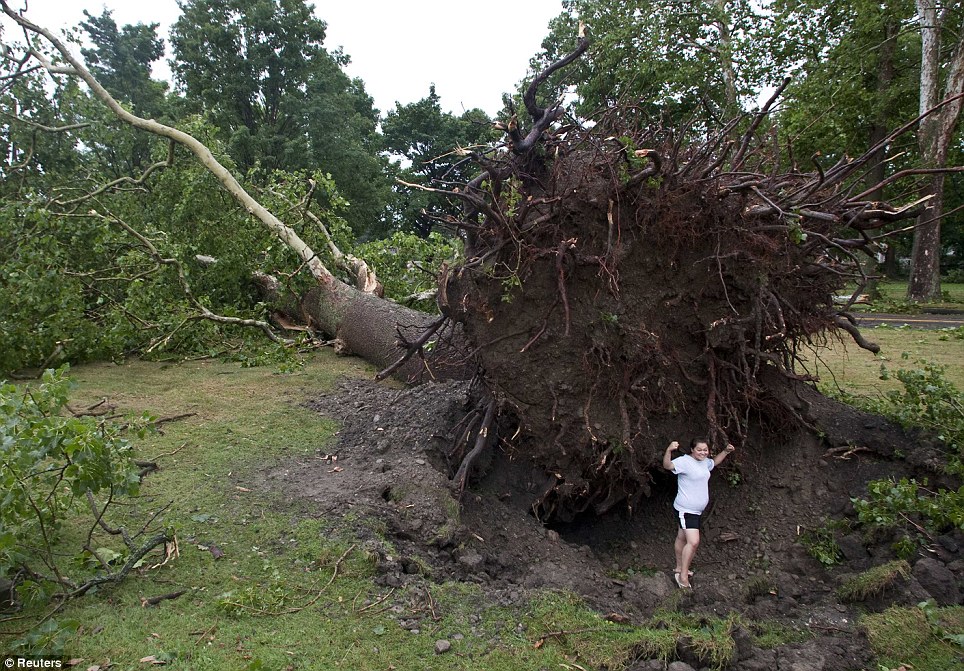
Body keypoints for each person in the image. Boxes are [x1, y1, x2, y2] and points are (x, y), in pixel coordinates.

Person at [662, 438, 736, 589]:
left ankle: (678, 568)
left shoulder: (705, 462)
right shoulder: (685, 462)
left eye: (705, 450)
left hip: (696, 511)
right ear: (692, 450)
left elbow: (714, 463)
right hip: (685, 509)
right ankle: (683, 576)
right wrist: (669, 450)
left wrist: (725, 452)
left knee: (682, 537)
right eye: (699, 450)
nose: (703, 452)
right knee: (693, 542)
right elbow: (667, 465)